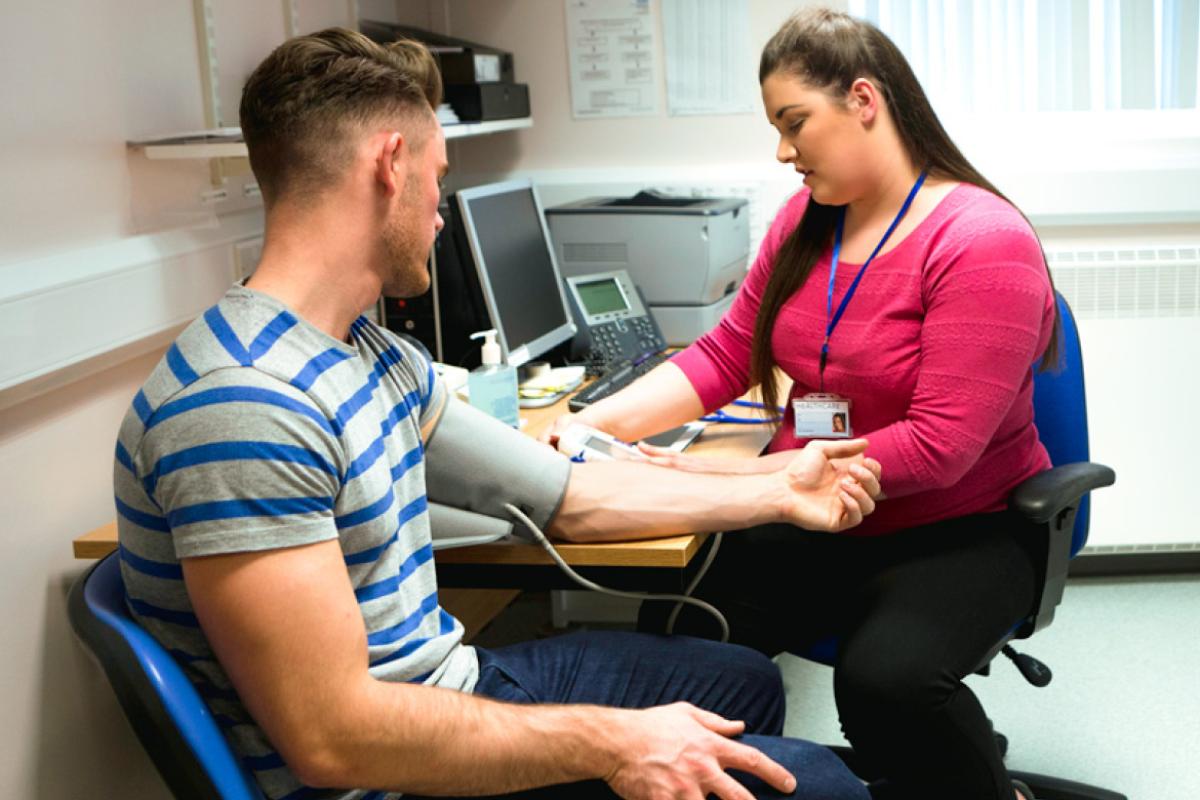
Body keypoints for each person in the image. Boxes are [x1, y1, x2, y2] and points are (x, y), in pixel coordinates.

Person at [111, 28, 883, 800]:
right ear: (389, 165)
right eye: (438, 181)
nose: (441, 214)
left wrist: (776, 493)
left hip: (449, 684)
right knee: (819, 786)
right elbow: (333, 740)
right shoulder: (243, 406)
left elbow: (566, 496)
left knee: (741, 689)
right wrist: (613, 743)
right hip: (384, 775)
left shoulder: (372, 357)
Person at [543, 9, 1058, 800]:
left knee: (886, 684)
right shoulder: (804, 221)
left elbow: (940, 445)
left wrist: (740, 485)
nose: (783, 152)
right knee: (681, 643)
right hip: (808, 512)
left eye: (794, 123)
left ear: (862, 100)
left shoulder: (982, 240)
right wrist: (584, 427)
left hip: (956, 527)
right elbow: (722, 356)